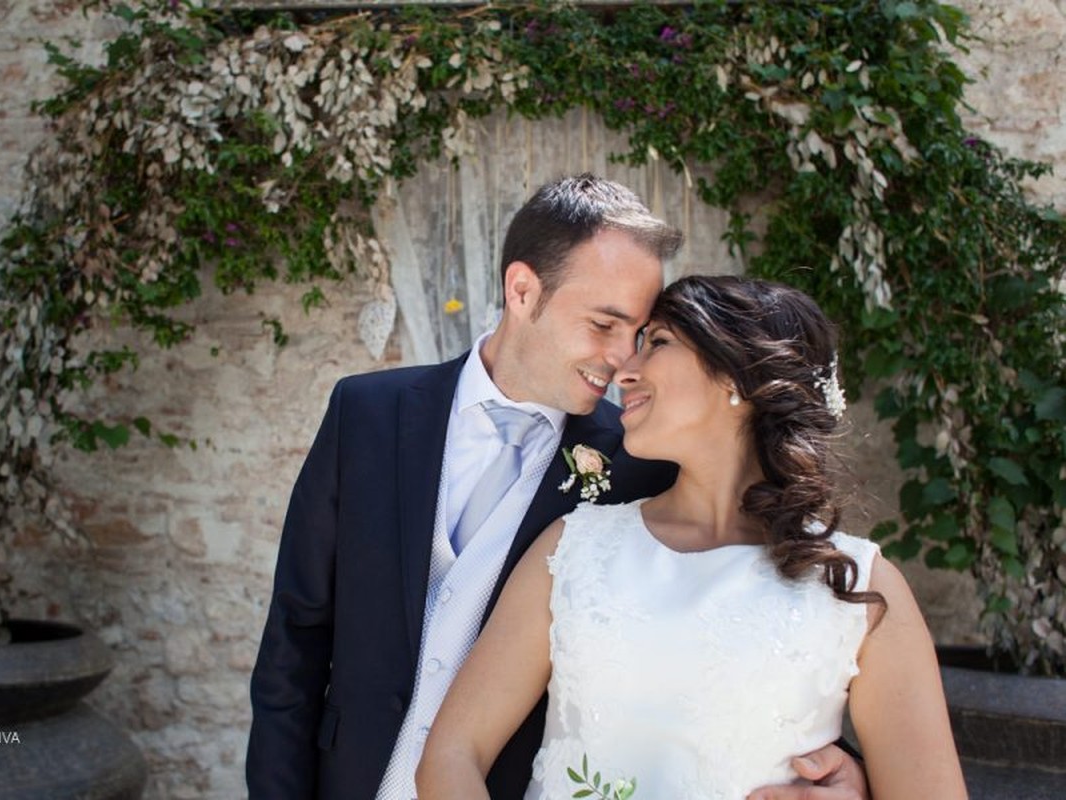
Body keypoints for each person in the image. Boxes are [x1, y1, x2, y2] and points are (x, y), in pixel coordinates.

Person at [248, 177, 872, 800]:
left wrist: (841, 769)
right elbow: (295, 641)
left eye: (641, 335)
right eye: (604, 324)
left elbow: (721, 639)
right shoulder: (367, 413)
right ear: (522, 290)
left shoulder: (641, 460)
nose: (624, 360)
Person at [416, 275, 967, 800]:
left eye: (656, 342)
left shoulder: (859, 588)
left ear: (736, 376)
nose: (624, 370)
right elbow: (453, 754)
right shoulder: (572, 550)